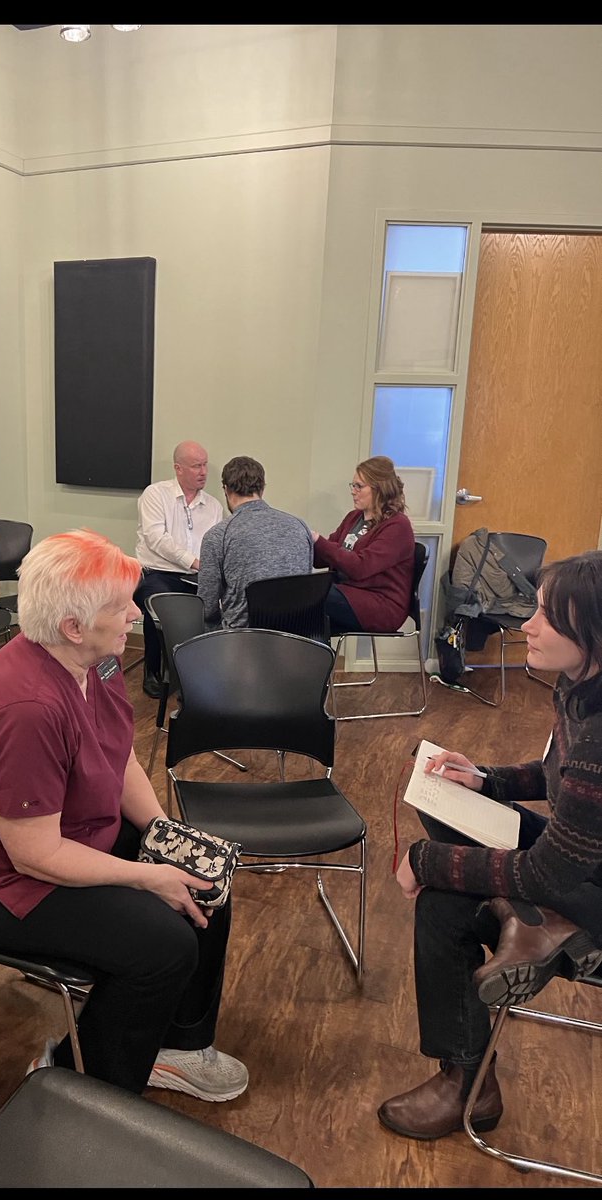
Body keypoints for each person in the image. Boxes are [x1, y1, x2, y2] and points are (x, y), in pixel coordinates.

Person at [0, 528, 248, 1101]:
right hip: (2, 886)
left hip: (72, 840)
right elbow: (33, 854)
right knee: (163, 945)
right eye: (120, 605)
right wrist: (148, 874)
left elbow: (116, 748)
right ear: (74, 625)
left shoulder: (94, 662)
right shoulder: (28, 706)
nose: (134, 613)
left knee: (204, 885)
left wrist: (159, 833)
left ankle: (171, 1049)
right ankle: (82, 1079)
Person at [378, 550, 602, 1142]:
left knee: (441, 901)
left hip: (584, 881)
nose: (526, 624)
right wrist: (488, 780)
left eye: (548, 616)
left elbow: (548, 871)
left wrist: (424, 861)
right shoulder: (581, 684)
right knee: (447, 811)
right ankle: (530, 928)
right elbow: (561, 776)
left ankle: (466, 1085)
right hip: (578, 863)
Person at [133, 441, 224, 698]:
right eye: (197, 466)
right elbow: (156, 538)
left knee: (214, 608)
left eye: (205, 465)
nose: (204, 471)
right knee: (160, 608)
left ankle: (196, 674)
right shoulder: (155, 494)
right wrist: (194, 562)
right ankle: (154, 672)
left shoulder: (214, 506)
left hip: (197, 577)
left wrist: (206, 570)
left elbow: (215, 545)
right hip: (156, 572)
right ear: (178, 468)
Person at [197, 455, 314, 629]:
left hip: (242, 642)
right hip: (296, 639)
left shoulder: (218, 535)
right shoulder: (300, 527)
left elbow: (207, 607)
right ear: (262, 489)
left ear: (226, 490)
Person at [311, 455, 414, 636]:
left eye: (359, 486)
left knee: (308, 596)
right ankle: (307, 661)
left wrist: (318, 540)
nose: (353, 491)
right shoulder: (353, 518)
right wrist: (301, 542)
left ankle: (313, 661)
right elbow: (323, 558)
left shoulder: (398, 526)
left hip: (381, 604)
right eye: (353, 485)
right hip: (349, 593)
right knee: (297, 595)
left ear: (379, 489)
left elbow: (360, 567)